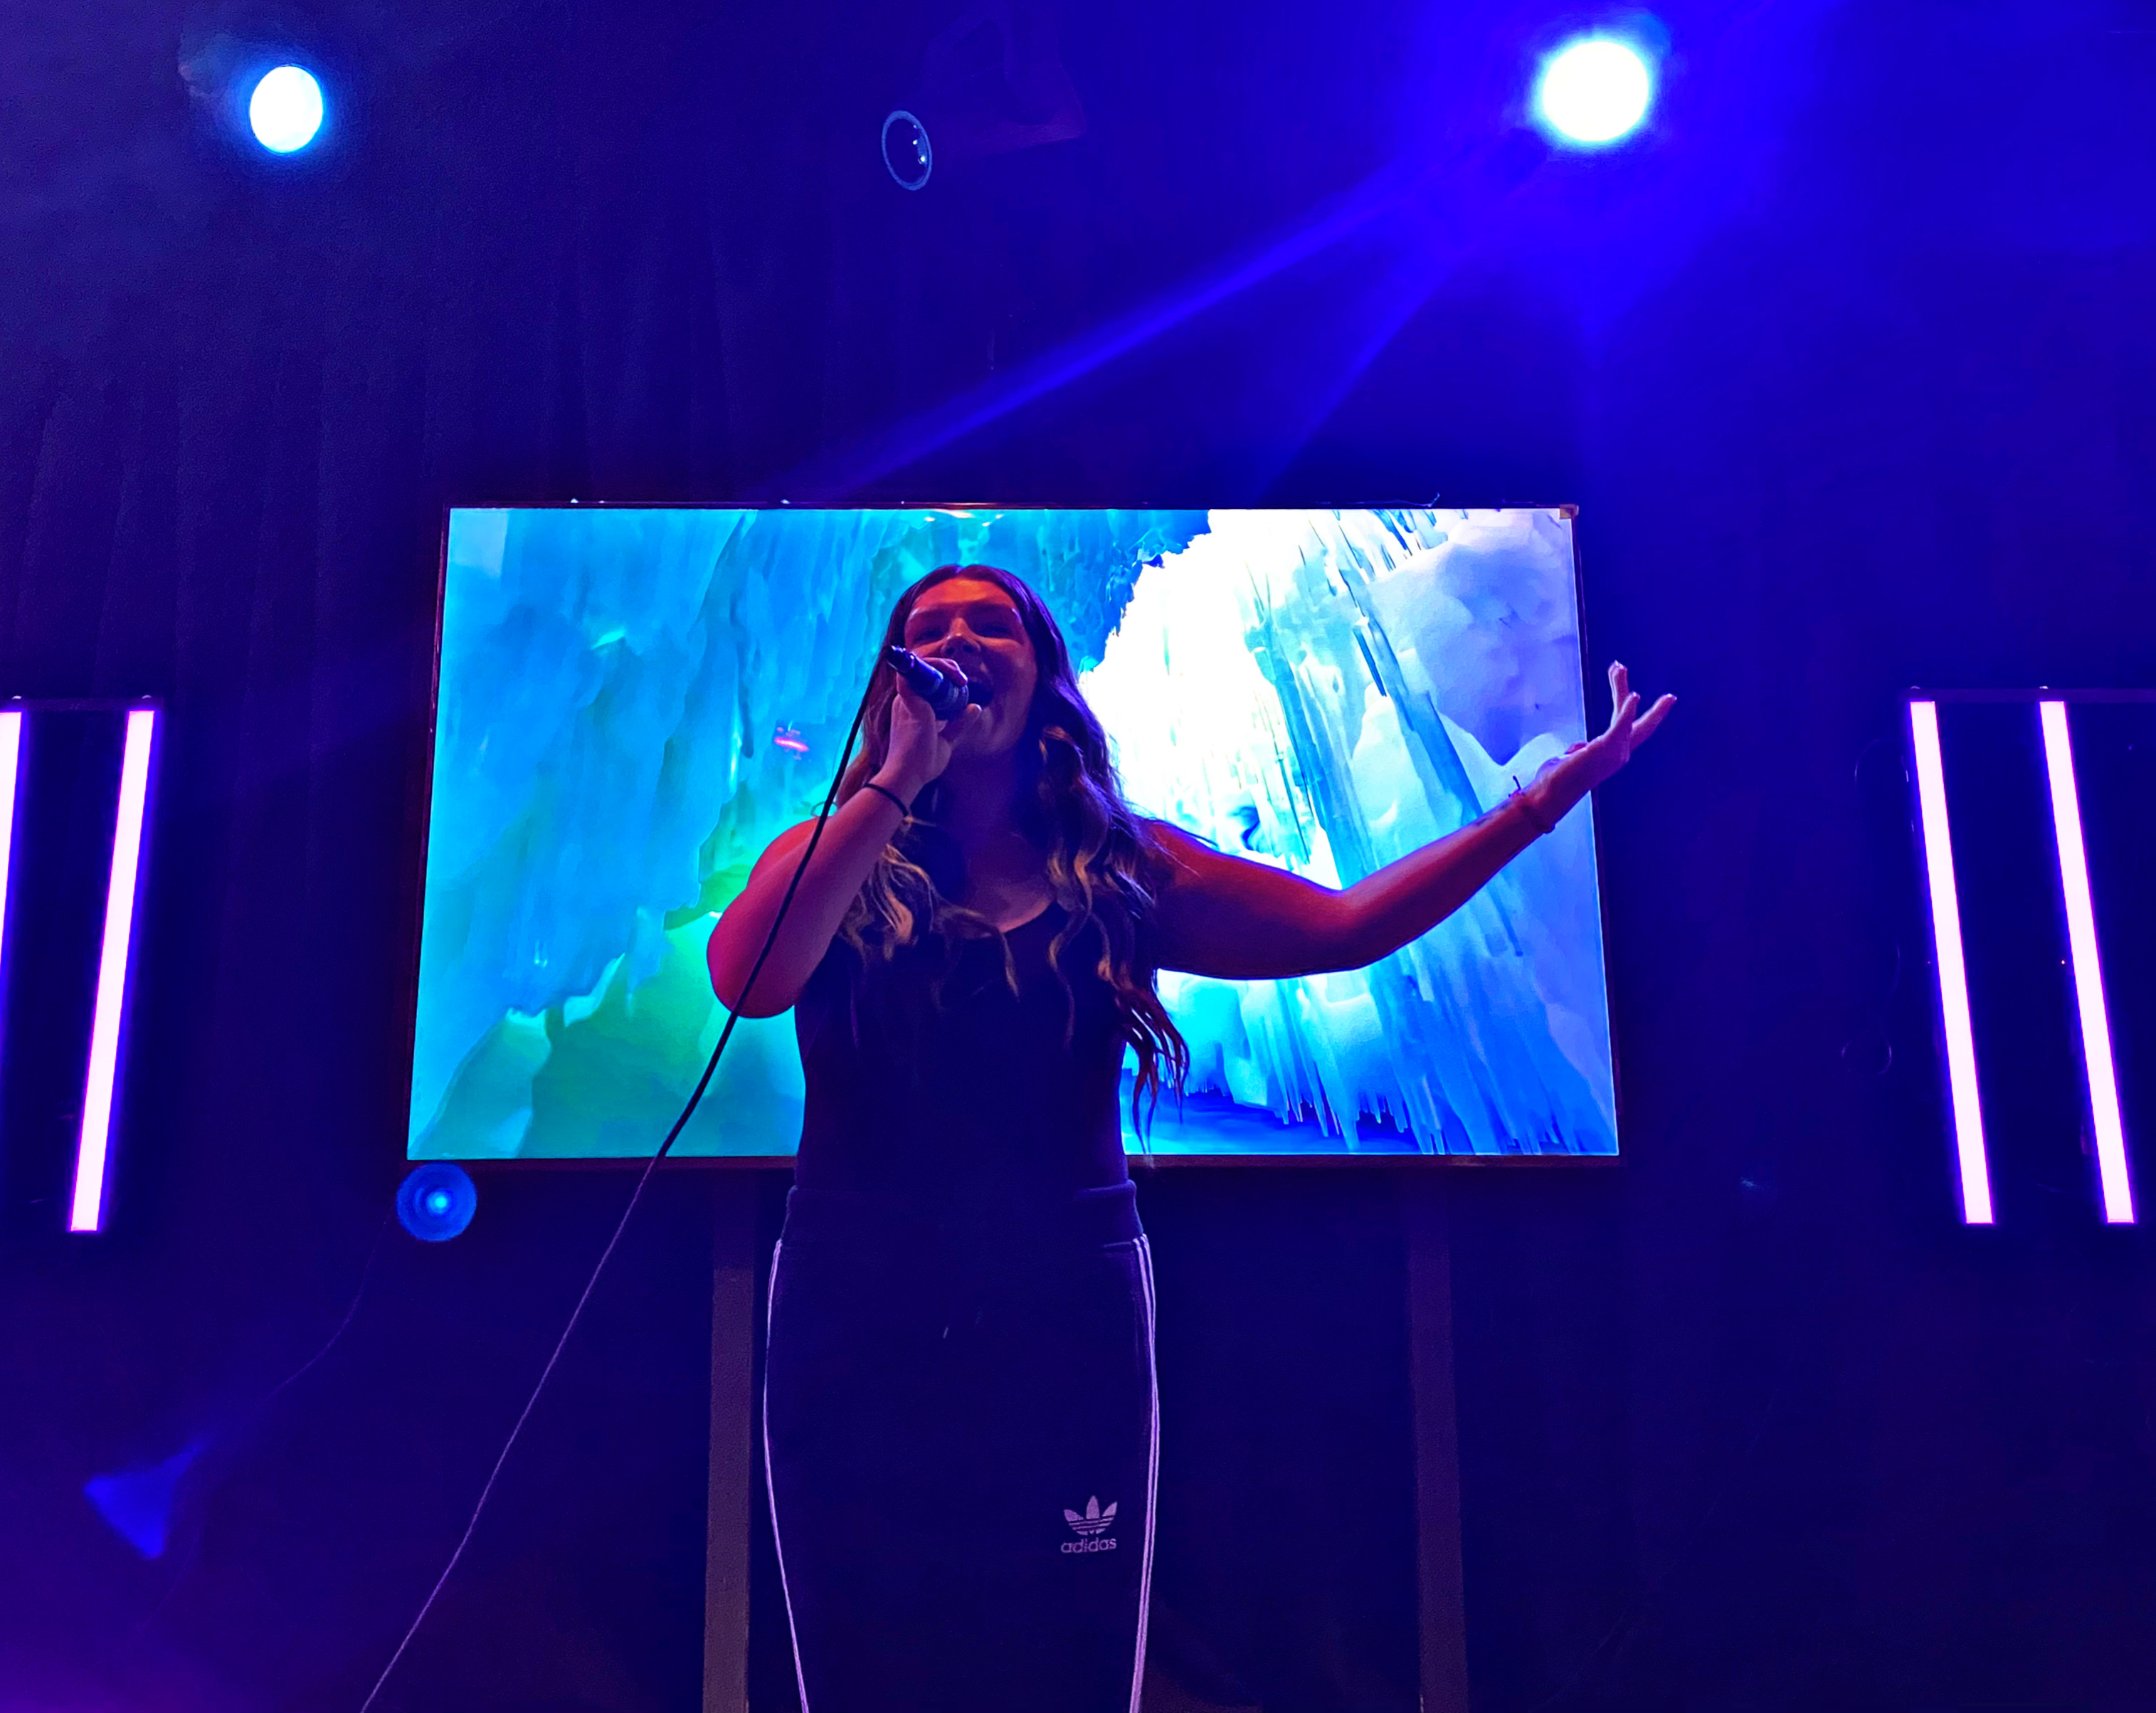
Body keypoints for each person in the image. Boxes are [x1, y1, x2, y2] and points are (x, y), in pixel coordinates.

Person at [705, 563, 1670, 1713]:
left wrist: (1538, 804)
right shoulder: (841, 853)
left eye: (991, 625)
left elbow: (1346, 930)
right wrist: (892, 787)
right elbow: (751, 979)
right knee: (864, 1662)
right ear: (901, 683)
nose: (960, 642)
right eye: (930, 630)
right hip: (855, 1298)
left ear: (1044, 675)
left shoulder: (1121, 864)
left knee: (1062, 1661)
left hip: (1064, 1301)